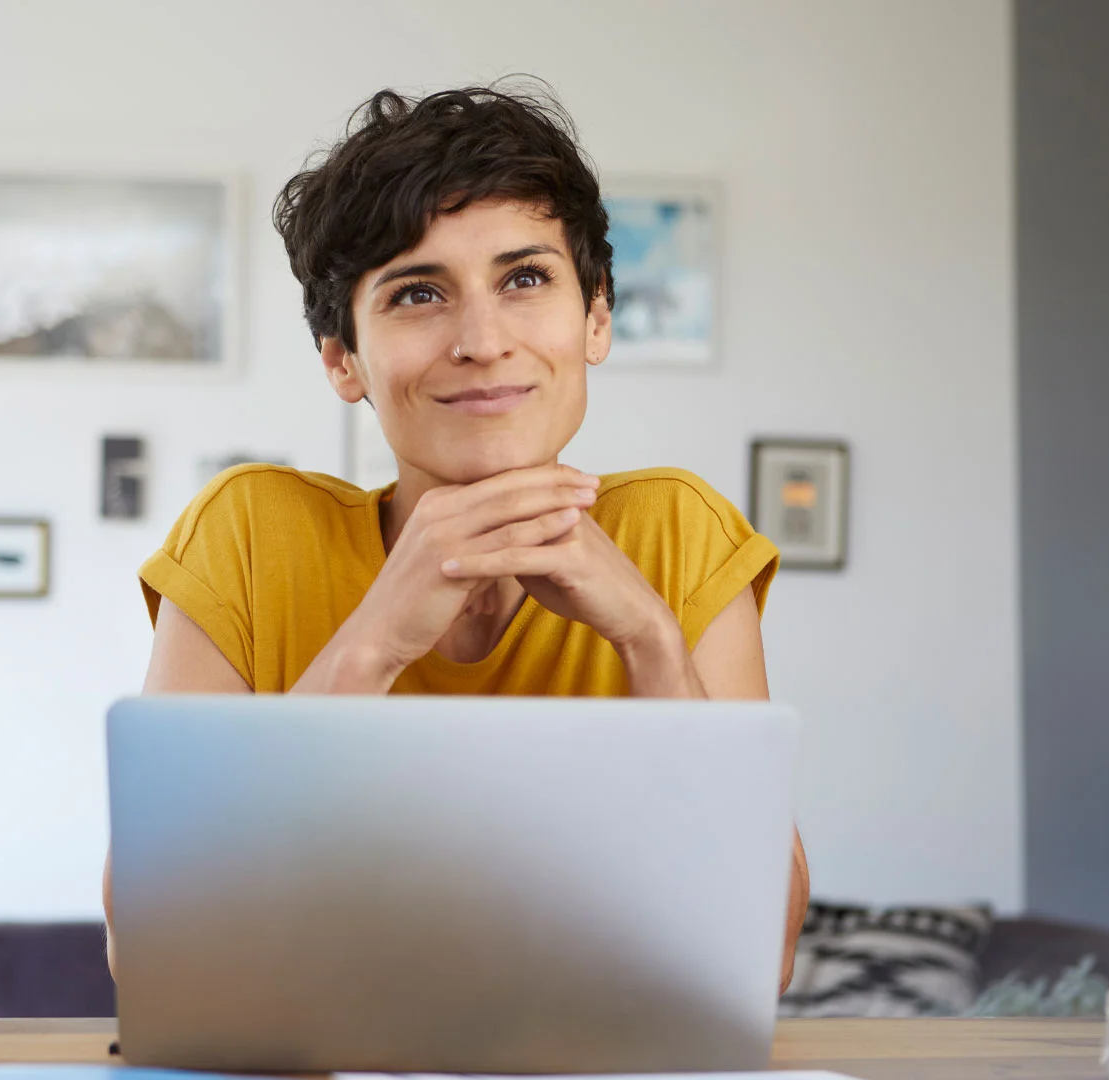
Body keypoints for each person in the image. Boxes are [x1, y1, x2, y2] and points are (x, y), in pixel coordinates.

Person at [107, 82, 809, 991]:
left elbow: (763, 956)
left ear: (595, 317)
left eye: (525, 279)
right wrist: (372, 644)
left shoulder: (678, 533)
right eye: (417, 293)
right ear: (342, 357)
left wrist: (650, 642)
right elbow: (153, 949)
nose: (482, 339)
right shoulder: (248, 534)